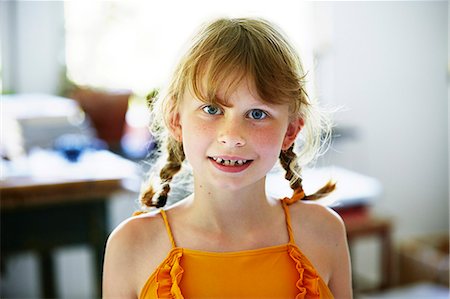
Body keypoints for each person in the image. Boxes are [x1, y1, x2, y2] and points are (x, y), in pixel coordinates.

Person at [103, 17, 352, 298]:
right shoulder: (131, 246)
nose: (232, 135)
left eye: (257, 114)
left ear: (291, 130)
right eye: (211, 109)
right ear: (176, 120)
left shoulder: (325, 232)